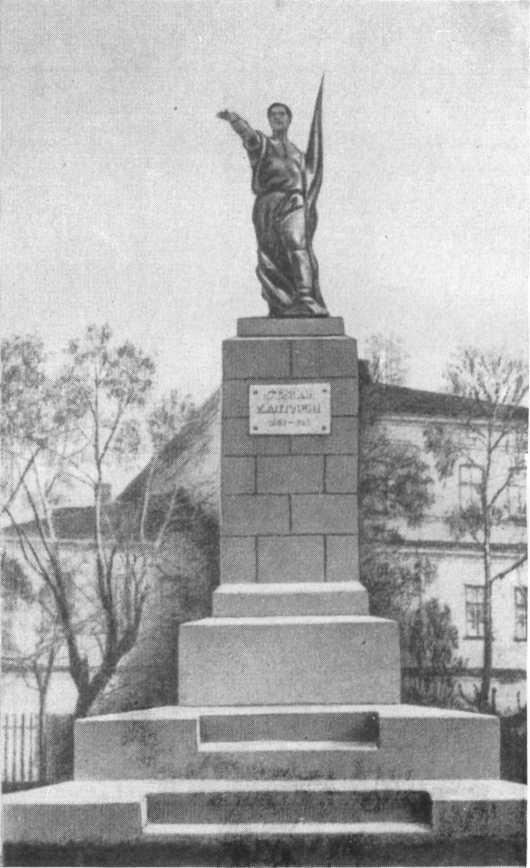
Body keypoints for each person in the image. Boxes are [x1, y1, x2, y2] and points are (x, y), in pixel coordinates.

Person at [217, 102, 329, 317]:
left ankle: (305, 297)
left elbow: (309, 180)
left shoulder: (298, 154)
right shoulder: (262, 144)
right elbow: (247, 134)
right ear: (269, 120)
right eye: (273, 115)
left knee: (297, 245)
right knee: (271, 256)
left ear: (289, 119)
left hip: (293, 202)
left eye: (282, 114)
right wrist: (234, 119)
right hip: (267, 205)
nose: (278, 118)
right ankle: (282, 301)